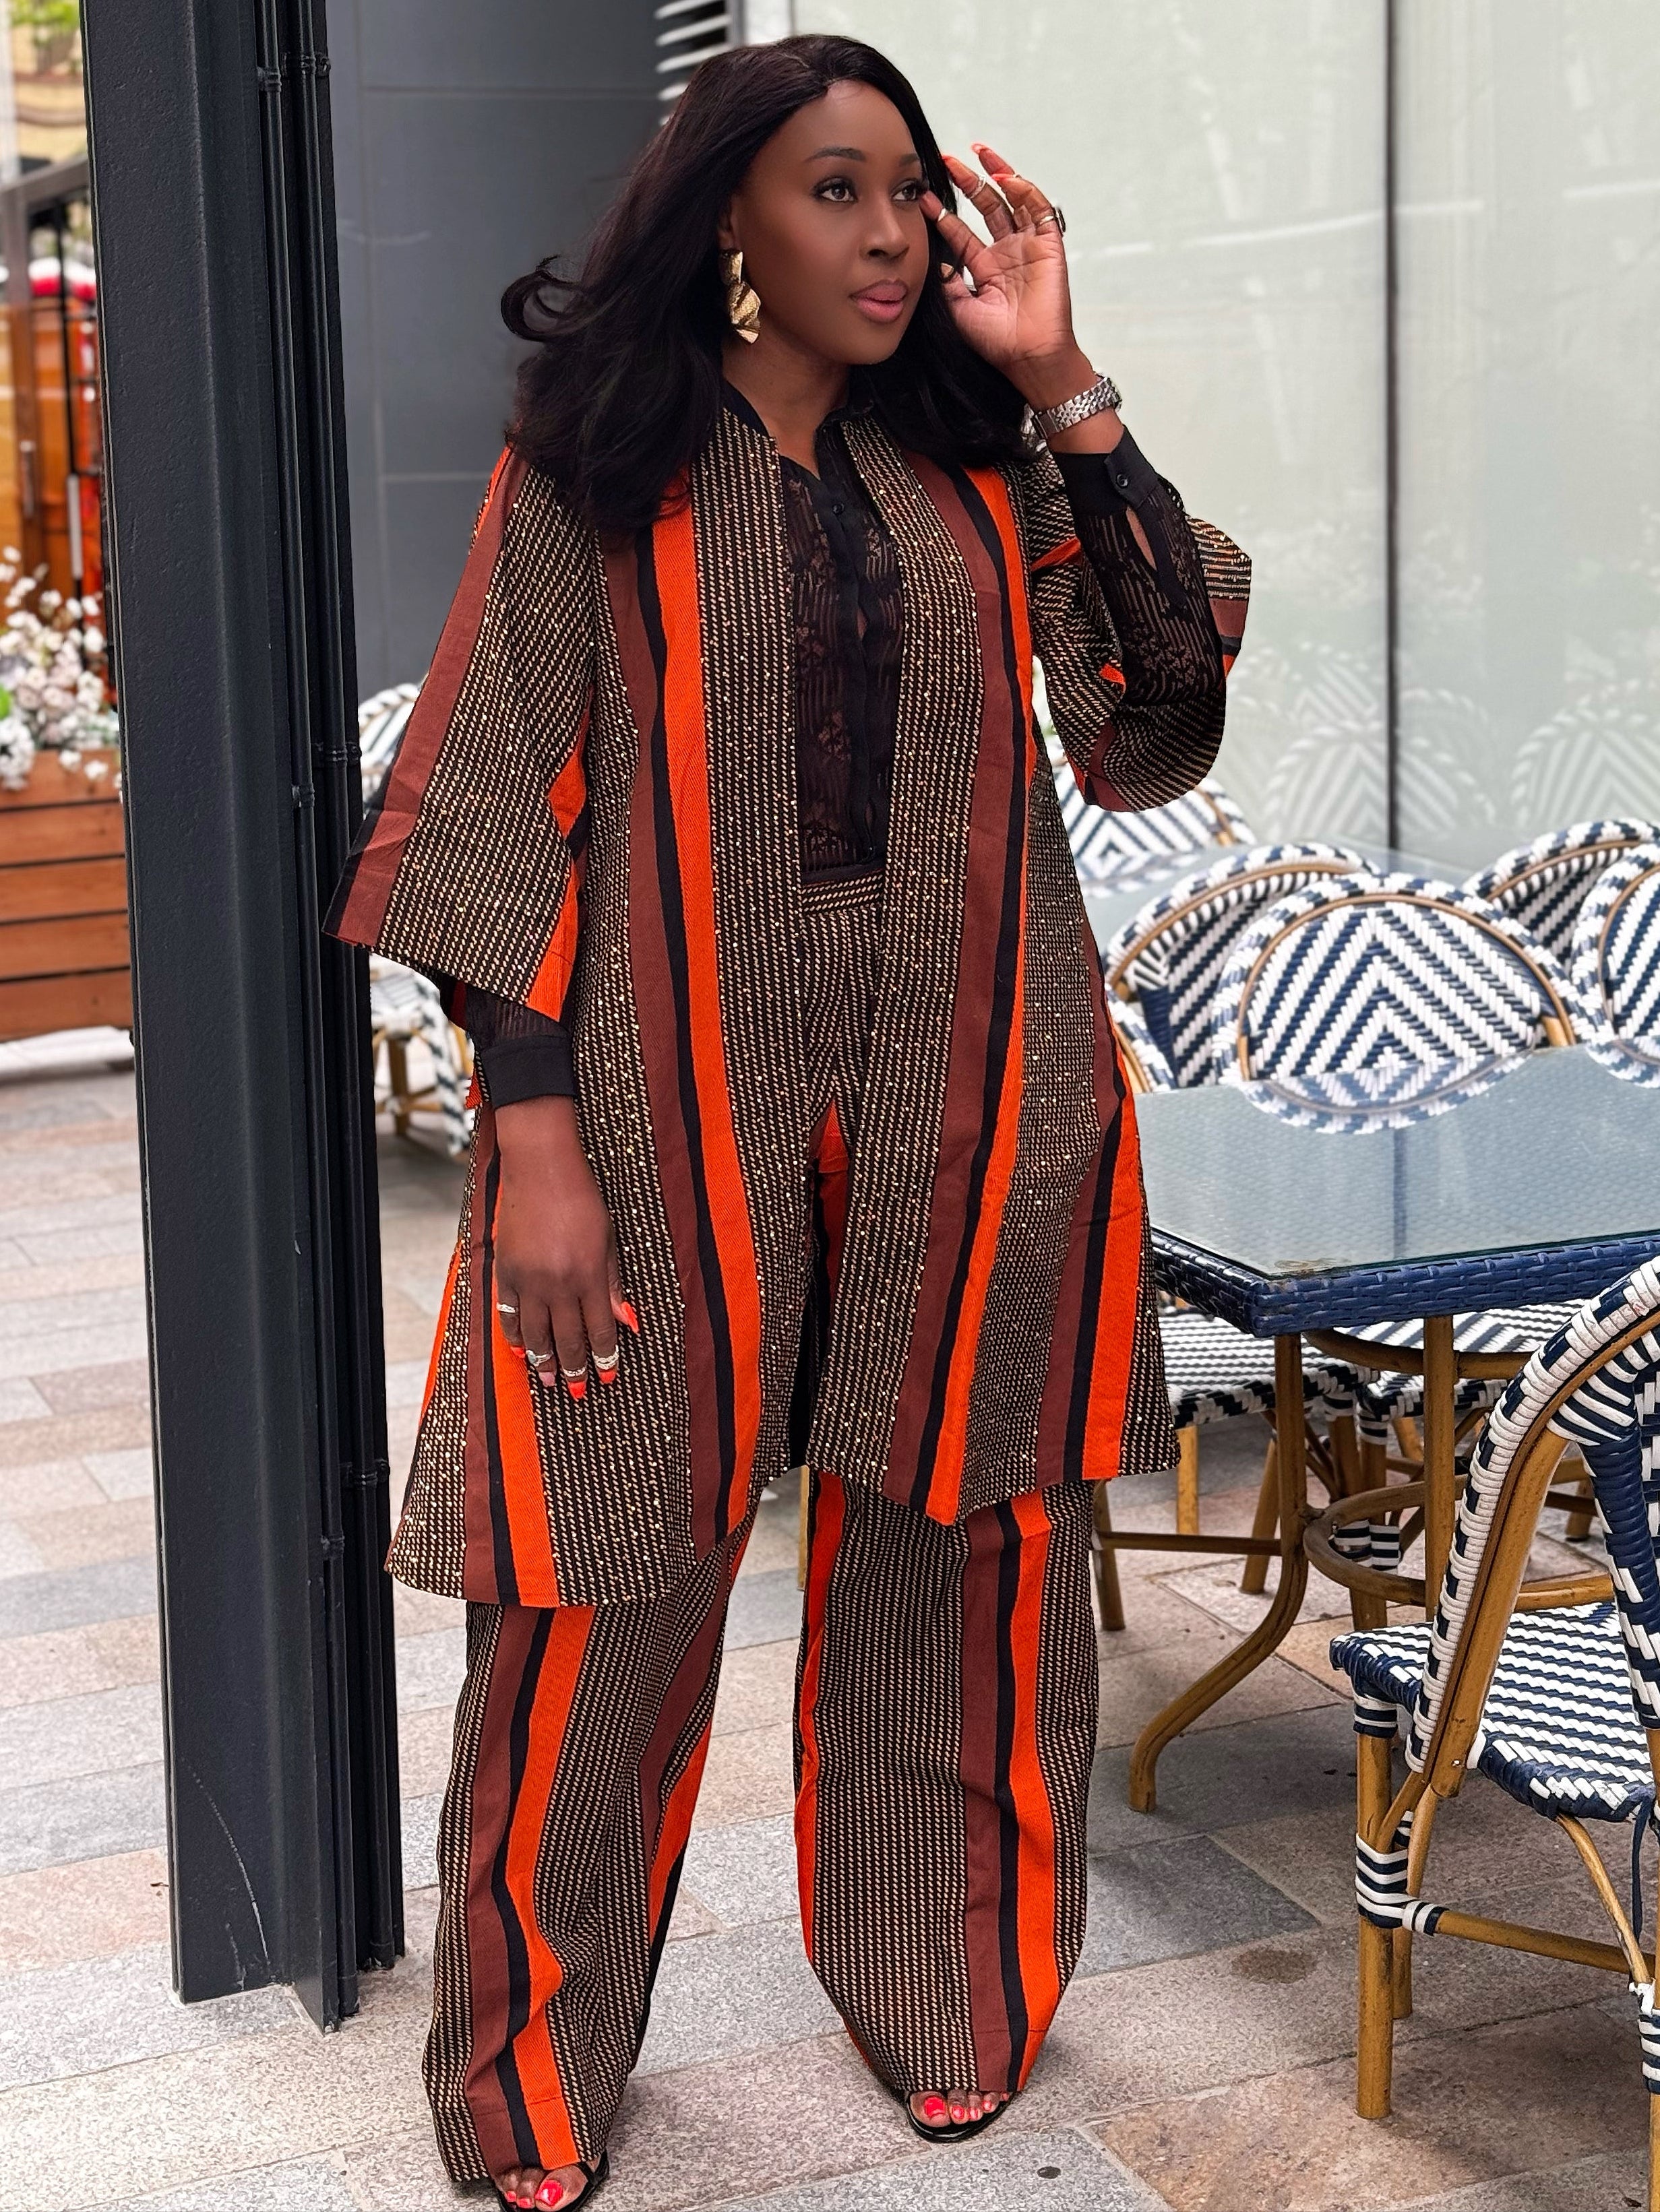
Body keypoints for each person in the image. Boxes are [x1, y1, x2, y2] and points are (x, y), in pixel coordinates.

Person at [329, 32, 1248, 2211]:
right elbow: (491, 800)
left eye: (911, 190)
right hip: (661, 1104)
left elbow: (1155, 719)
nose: (891, 231)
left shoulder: (982, 466)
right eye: (837, 189)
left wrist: (1064, 379)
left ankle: (954, 1998)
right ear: (729, 216)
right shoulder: (600, 466)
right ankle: (528, 2080)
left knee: (968, 1543)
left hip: (975, 1086)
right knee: (597, 1569)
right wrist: (529, 1138)